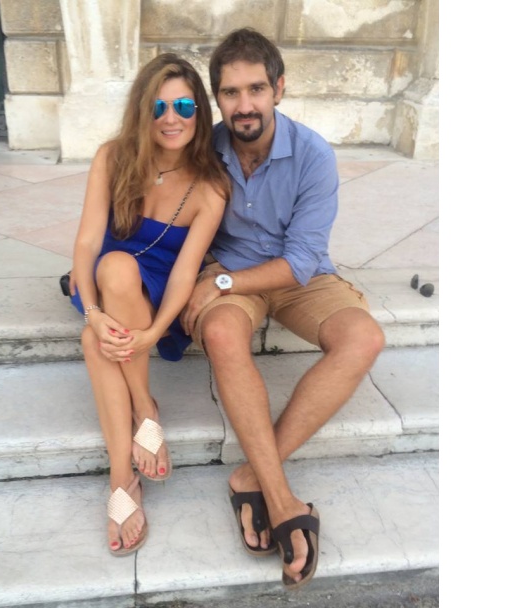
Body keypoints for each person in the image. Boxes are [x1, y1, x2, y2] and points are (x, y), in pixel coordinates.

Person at [180, 28, 385, 589]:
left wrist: (222, 282)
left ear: (279, 89)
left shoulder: (314, 155)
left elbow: (299, 262)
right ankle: (283, 499)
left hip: (296, 277)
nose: (244, 105)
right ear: (217, 98)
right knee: (222, 335)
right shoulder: (204, 148)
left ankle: (252, 476)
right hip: (230, 279)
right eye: (230, 92)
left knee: (364, 337)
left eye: (256, 89)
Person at [68, 53, 230, 555]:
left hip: (160, 293)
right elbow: (86, 245)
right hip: (105, 284)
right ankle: (144, 410)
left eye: (184, 105)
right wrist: (93, 312)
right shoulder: (112, 157)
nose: (171, 117)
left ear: (199, 111)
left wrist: (155, 332)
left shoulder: (210, 186)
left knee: (94, 344)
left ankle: (122, 478)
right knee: (114, 269)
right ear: (143, 111)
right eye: (159, 107)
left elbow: (185, 271)